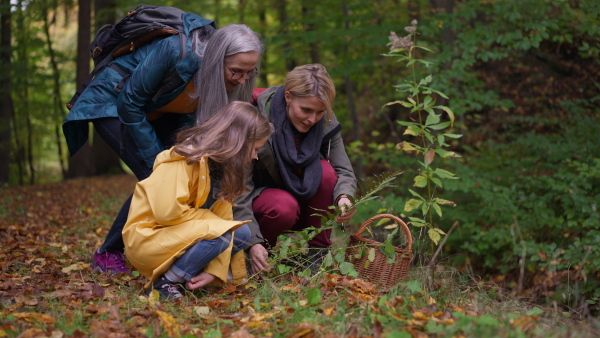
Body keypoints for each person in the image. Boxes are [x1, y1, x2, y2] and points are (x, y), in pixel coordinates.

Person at [62, 17, 264, 274]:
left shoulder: (227, 79)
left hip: (157, 110)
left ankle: (176, 245)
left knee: (185, 170)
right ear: (216, 59)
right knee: (158, 177)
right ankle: (108, 253)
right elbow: (130, 101)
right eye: (236, 71)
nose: (243, 80)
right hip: (112, 102)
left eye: (251, 72)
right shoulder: (175, 51)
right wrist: (156, 159)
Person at [122, 101, 273, 300]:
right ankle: (165, 283)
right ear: (238, 142)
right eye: (254, 149)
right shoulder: (183, 159)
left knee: (242, 232)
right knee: (222, 229)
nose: (255, 157)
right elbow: (168, 213)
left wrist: (213, 272)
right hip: (150, 238)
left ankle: (186, 275)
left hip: (179, 237)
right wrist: (212, 221)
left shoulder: (224, 172)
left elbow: (224, 223)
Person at [233, 64, 358, 275]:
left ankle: (316, 258)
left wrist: (345, 197)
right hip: (265, 204)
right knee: (283, 205)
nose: (312, 119)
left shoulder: (325, 120)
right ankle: (259, 256)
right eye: (306, 110)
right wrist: (252, 241)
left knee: (325, 172)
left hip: (304, 198)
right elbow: (240, 191)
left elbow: (343, 171)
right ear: (288, 96)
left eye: (320, 112)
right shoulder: (255, 117)